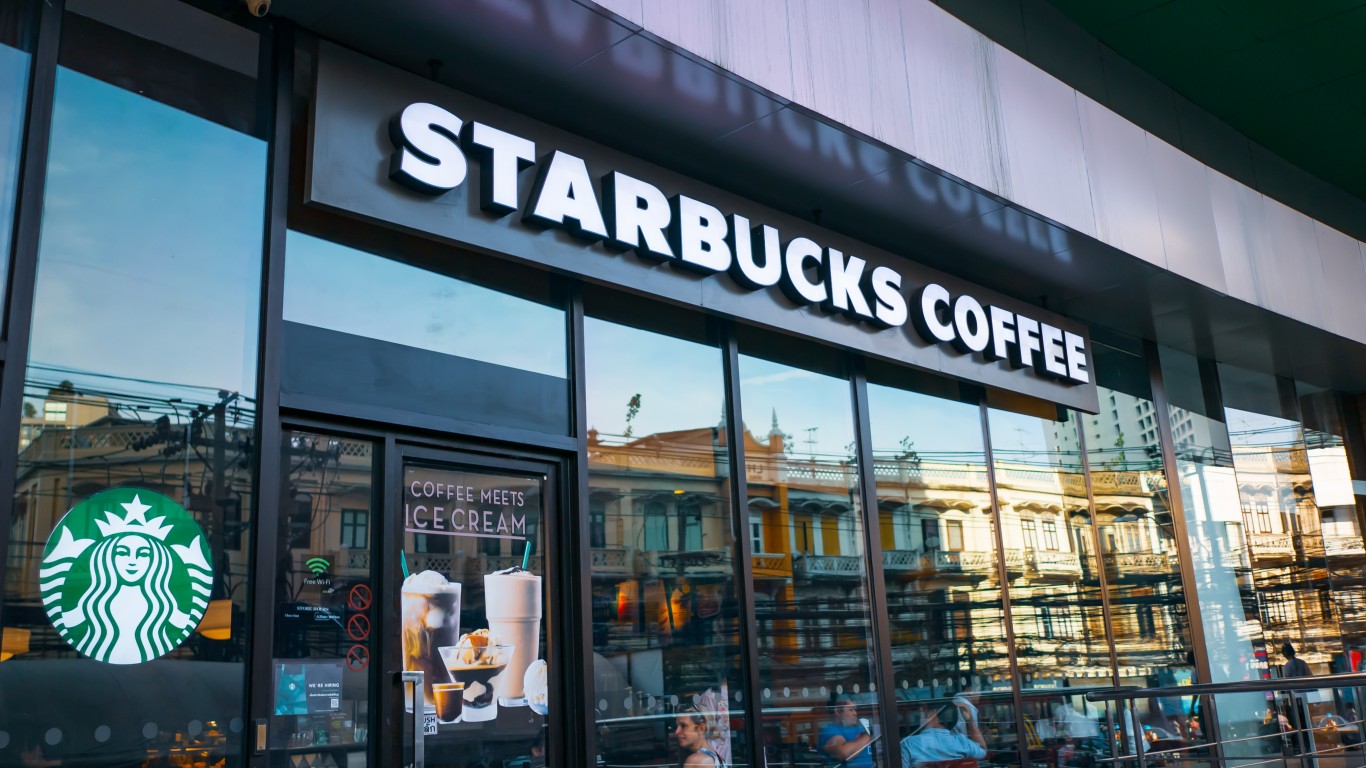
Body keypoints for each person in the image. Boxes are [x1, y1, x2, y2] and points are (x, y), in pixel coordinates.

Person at [900, 702, 987, 767]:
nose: (920, 714)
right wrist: (970, 721)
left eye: (923, 710)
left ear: (932, 714)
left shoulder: (908, 744)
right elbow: (983, 751)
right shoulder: (962, 742)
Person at [818, 695, 874, 768]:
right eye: (851, 710)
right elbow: (844, 753)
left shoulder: (860, 729)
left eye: (855, 710)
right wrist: (867, 736)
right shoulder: (829, 730)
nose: (855, 713)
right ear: (838, 711)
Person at [675, 702, 727, 767]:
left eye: (683, 726)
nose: (677, 731)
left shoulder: (696, 761)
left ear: (701, 728)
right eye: (677, 726)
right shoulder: (715, 756)